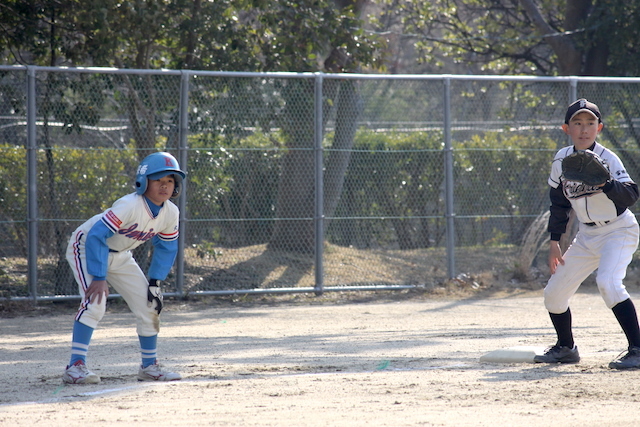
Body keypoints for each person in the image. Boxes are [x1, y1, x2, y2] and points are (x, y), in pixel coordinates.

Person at [62, 152, 186, 383]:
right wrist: (99, 277)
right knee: (95, 304)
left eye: (170, 181)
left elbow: (167, 247)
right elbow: (97, 236)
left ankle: (149, 367)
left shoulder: (171, 212)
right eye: (159, 180)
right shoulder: (129, 205)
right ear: (144, 181)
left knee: (150, 305)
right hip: (86, 248)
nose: (165, 186)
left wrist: (155, 282)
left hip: (120, 255)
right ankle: (75, 367)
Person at [534, 98, 640, 369]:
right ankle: (566, 347)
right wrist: (555, 242)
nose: (584, 129)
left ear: (599, 127)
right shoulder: (561, 159)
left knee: (608, 283)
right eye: (577, 123)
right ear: (565, 128)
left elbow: (631, 195)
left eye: (590, 123)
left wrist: (606, 183)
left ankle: (637, 349)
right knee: (554, 293)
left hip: (618, 231)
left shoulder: (606, 158)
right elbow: (558, 204)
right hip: (586, 236)